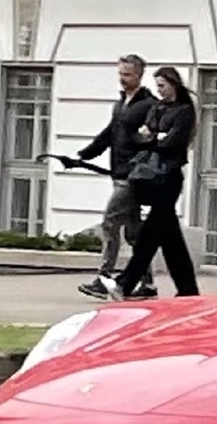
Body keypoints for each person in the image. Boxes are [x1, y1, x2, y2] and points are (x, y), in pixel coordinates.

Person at [84, 65, 197, 301]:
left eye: (163, 86)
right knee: (169, 238)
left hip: (168, 179)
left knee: (150, 237)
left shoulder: (184, 111)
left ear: (173, 85)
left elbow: (172, 143)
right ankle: (187, 290)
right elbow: (139, 137)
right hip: (150, 176)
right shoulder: (158, 109)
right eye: (157, 86)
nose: (160, 90)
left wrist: (153, 137)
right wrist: (155, 137)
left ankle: (125, 284)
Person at [73, 54, 154, 291]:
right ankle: (147, 283)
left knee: (109, 223)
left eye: (127, 74)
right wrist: (85, 154)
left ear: (139, 76)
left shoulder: (147, 106)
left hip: (132, 178)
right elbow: (109, 134)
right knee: (133, 233)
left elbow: (150, 140)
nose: (122, 79)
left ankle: (104, 276)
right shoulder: (121, 104)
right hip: (118, 174)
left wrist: (141, 145)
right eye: (120, 73)